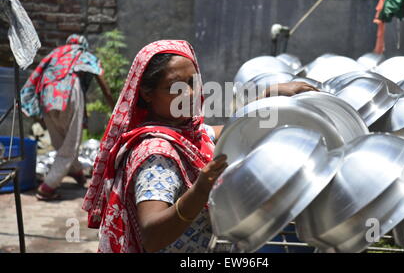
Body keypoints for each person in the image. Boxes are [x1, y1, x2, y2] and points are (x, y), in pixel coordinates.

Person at [82, 40, 319, 253]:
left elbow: (229, 132)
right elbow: (152, 236)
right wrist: (200, 190)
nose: (191, 93)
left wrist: (269, 96)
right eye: (176, 87)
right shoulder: (157, 154)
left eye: (193, 82)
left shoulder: (185, 133)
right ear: (146, 93)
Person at [20, 34, 115, 200]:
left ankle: (76, 172)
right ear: (82, 45)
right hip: (69, 93)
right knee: (70, 143)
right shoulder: (82, 54)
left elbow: (36, 74)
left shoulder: (55, 54)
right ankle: (47, 187)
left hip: (46, 95)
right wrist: (114, 105)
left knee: (60, 141)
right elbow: (99, 75)